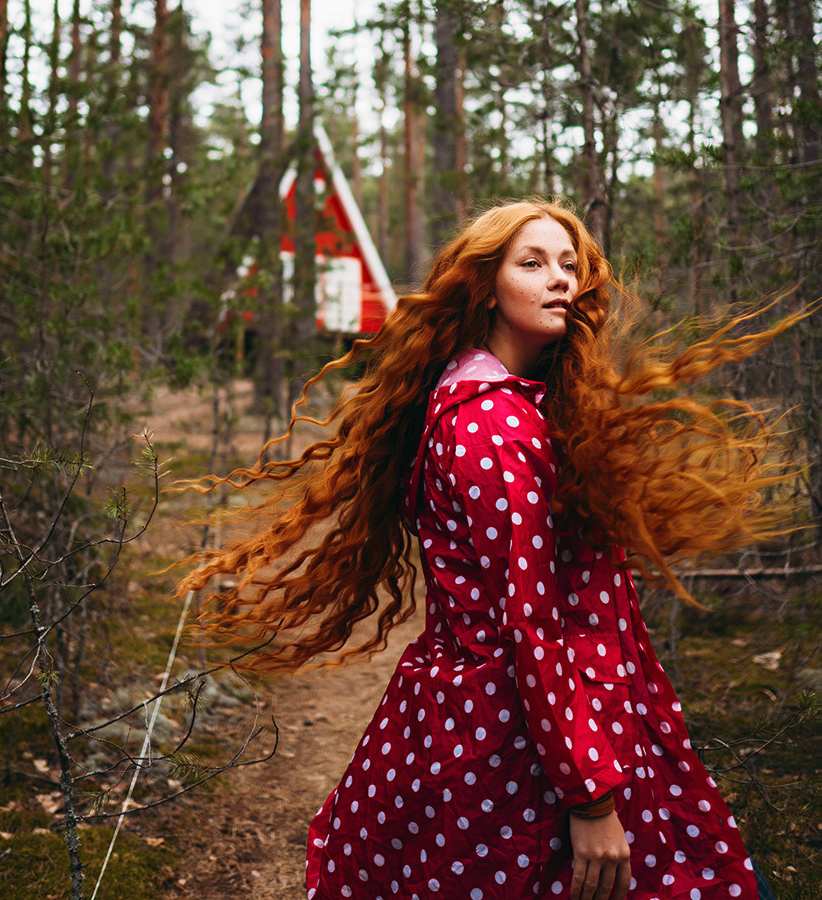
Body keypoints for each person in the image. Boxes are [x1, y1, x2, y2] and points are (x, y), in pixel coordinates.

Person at [178, 199, 801, 900]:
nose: (559, 279)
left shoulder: (508, 403)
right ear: (487, 287)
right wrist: (590, 798)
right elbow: (530, 623)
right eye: (531, 264)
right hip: (520, 738)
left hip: (532, 716)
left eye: (570, 265)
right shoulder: (493, 425)